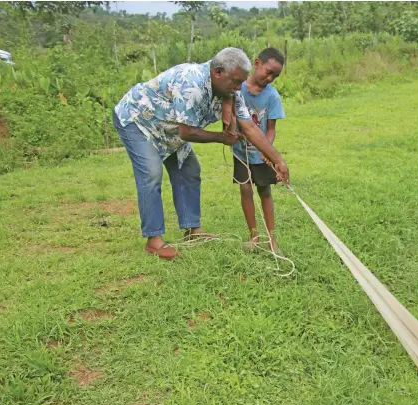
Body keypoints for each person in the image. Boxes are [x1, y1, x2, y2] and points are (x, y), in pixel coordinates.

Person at [112, 47, 290, 260]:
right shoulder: (192, 84)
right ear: (218, 72)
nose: (238, 87)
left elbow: (250, 128)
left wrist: (277, 159)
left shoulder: (231, 91)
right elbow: (187, 132)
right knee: (151, 173)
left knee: (189, 169)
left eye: (241, 82)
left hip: (170, 129)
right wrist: (220, 137)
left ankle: (191, 231)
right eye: (235, 81)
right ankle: (154, 240)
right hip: (138, 121)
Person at [224, 47, 286, 254]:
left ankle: (271, 239)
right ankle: (254, 237)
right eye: (268, 72)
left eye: (275, 76)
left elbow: (271, 129)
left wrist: (266, 150)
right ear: (257, 63)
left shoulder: (272, 97)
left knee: (265, 191)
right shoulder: (236, 89)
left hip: (261, 155)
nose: (270, 78)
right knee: (245, 190)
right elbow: (231, 119)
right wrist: (233, 131)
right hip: (241, 153)